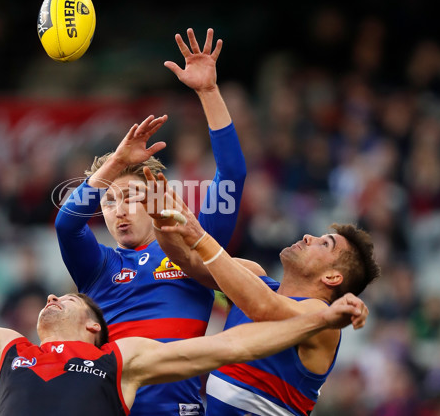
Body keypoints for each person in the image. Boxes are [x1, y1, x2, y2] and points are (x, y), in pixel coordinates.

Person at [0, 157, 369, 416]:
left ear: (94, 328)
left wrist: (321, 316)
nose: (55, 296)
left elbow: (231, 343)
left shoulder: (117, 364)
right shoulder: (7, 353)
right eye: (110, 201)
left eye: (71, 298)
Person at [54, 28, 247, 415]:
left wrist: (209, 93)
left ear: (156, 198)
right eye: (109, 202)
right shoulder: (99, 265)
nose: (119, 209)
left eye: (130, 197)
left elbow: (232, 175)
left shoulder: (193, 247)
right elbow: (66, 225)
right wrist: (115, 165)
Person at [131, 167, 381, 416]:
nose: (308, 237)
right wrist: (160, 219)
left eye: (325, 244)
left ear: (332, 277)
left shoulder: (322, 319)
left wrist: (200, 238)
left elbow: (264, 308)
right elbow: (188, 260)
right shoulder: (253, 276)